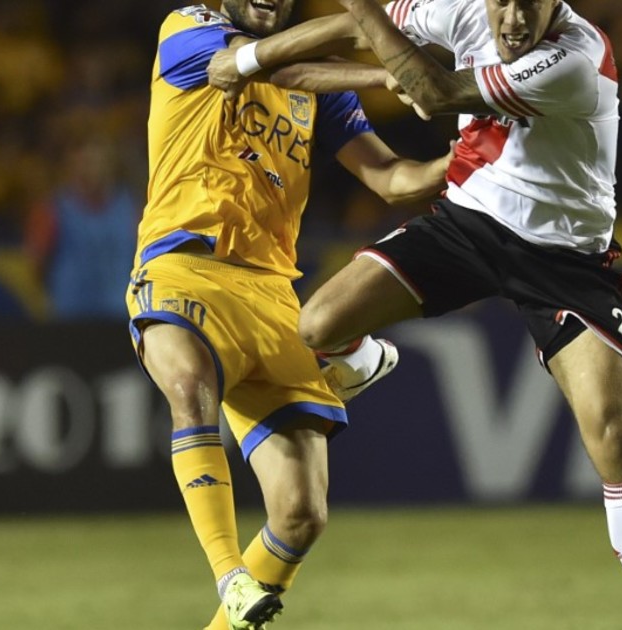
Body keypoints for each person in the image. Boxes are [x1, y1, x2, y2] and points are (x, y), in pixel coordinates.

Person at [292, 0, 622, 627]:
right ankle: (365, 362)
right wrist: (252, 59)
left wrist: (360, 8)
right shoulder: (462, 11)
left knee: (612, 434)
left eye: (530, 3)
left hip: (565, 260)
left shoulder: (576, 57)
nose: (515, 18)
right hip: (469, 225)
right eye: (503, 1)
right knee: (317, 325)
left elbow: (436, 90)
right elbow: (358, 28)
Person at [125, 3, 450, 629]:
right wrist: (385, 65)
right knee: (189, 385)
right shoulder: (186, 28)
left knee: (301, 513)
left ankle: (340, 350)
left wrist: (465, 163)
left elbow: (390, 179)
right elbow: (247, 66)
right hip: (183, 264)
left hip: (273, 294)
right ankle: (230, 574)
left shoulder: (320, 88)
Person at [26, 136, 139, 319]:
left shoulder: (131, 208)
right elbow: (37, 264)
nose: (91, 170)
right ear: (71, 166)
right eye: (85, 163)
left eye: (96, 162)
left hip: (120, 316)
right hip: (69, 317)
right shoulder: (52, 210)